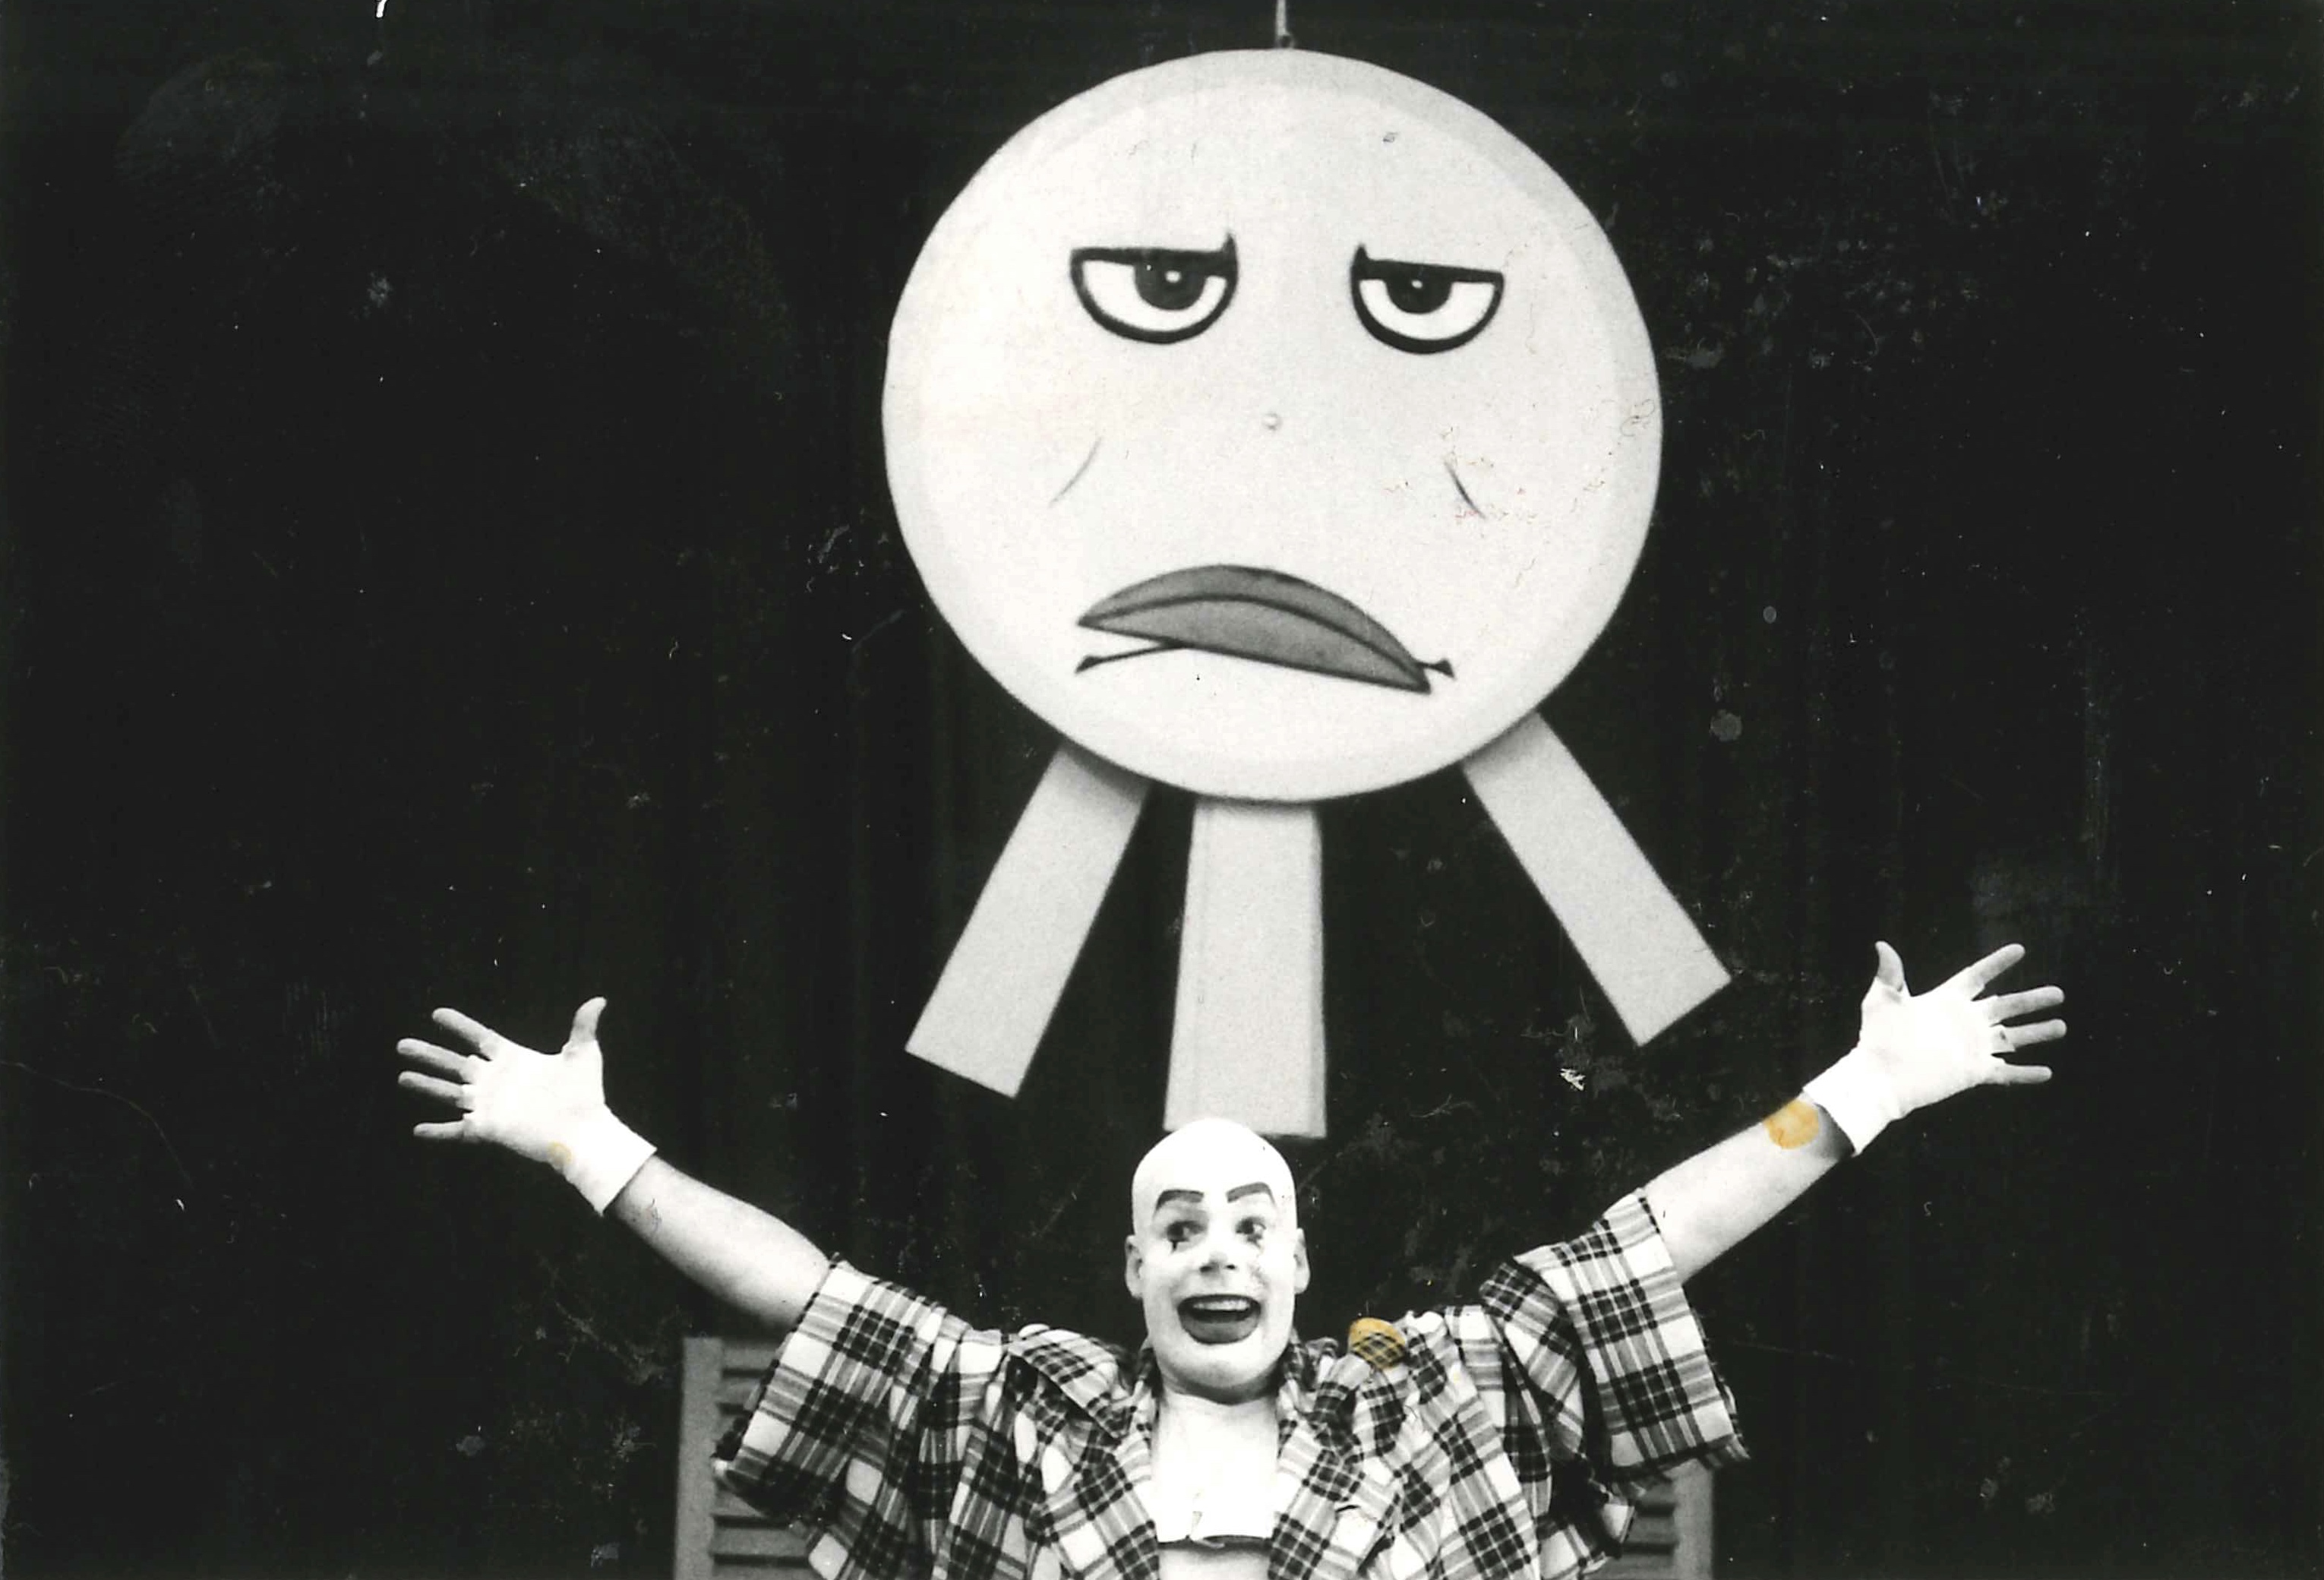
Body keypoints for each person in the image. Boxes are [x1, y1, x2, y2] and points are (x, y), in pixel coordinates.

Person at [397, 942, 2063, 1580]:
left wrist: (1868, 1088)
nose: (1219, 1250)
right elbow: (806, 1292)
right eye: (1182, 1225)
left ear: (1299, 1259)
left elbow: (1648, 1240)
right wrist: (586, 1145)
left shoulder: (1427, 1395)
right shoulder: (1026, 1408)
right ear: (1131, 1269)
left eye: (1252, 1220)